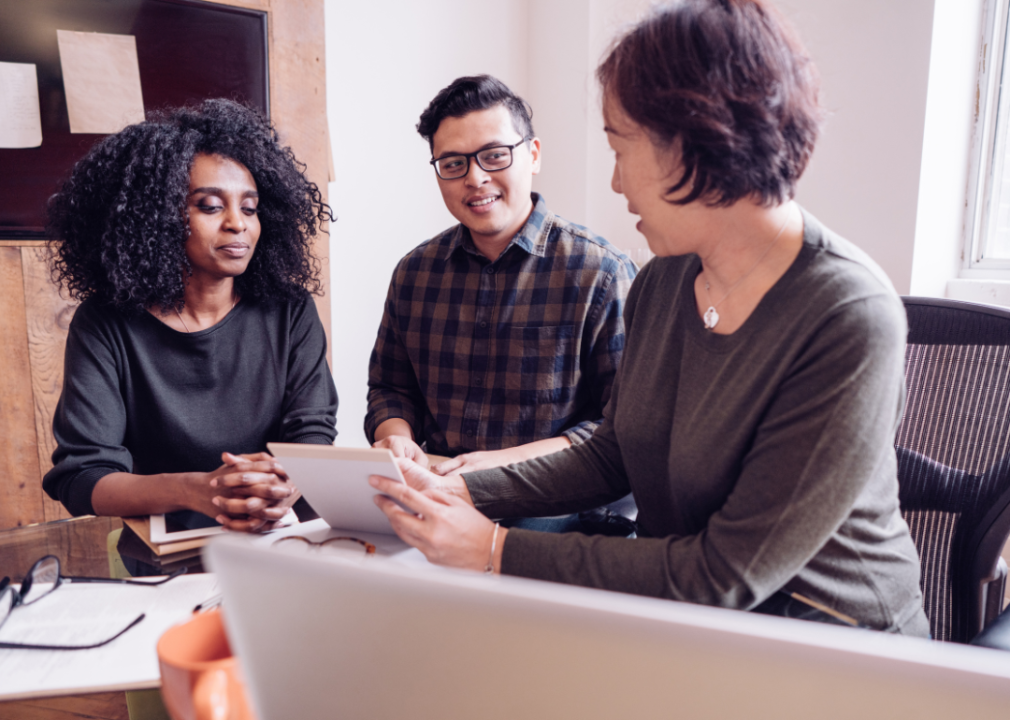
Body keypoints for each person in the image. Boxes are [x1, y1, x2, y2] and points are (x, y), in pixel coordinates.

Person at [370, 0, 931, 635]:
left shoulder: (846, 314)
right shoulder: (664, 279)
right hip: (691, 627)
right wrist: (463, 492)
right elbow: (615, 454)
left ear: (694, 142)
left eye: (620, 147)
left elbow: (724, 576)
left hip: (833, 645)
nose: (614, 184)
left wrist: (494, 550)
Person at [43, 99, 338, 534]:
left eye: (250, 208)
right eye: (210, 206)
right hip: (168, 548)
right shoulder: (106, 323)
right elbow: (83, 476)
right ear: (157, 219)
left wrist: (286, 479)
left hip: (284, 536)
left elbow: (312, 433)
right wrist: (196, 489)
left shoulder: (289, 308)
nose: (238, 224)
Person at [366, 75, 637, 480]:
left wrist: (505, 462)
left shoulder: (602, 273)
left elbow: (623, 428)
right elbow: (391, 389)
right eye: (454, 164)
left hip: (554, 500)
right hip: (437, 486)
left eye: (494, 156)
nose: (474, 178)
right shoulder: (414, 273)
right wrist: (396, 437)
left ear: (533, 155)